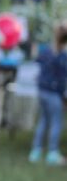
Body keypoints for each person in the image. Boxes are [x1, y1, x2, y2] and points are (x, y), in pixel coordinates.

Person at [29, 22, 67, 166]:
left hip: (42, 91)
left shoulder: (46, 51)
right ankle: (52, 153)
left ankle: (36, 152)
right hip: (54, 94)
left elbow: (37, 62)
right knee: (56, 123)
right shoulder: (63, 56)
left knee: (43, 121)